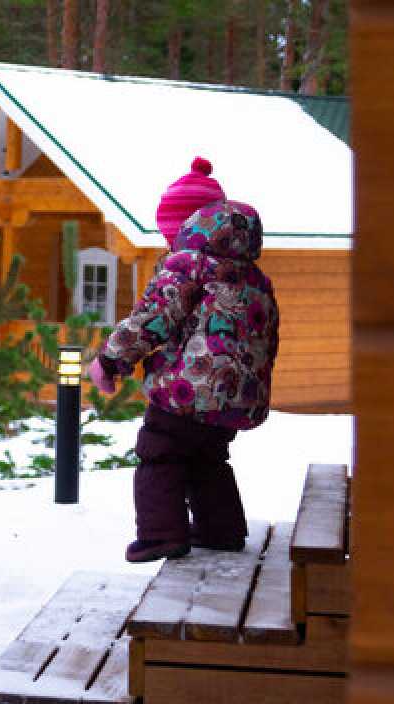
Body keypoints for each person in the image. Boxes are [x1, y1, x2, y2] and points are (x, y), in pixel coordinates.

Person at [88, 157, 280, 563]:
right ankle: (220, 528)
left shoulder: (186, 263)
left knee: (160, 449)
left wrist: (110, 360)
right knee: (207, 456)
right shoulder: (253, 276)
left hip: (190, 387)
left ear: (185, 227)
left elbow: (154, 316)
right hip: (238, 394)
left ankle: (160, 534)